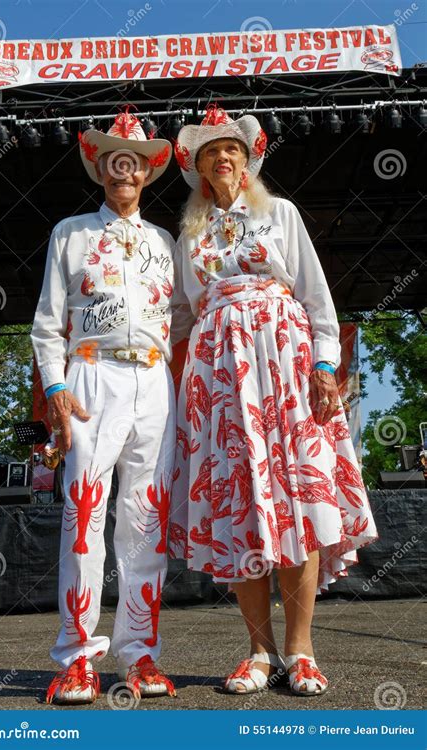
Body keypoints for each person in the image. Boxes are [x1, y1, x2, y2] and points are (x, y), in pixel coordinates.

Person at [169, 104, 379, 696]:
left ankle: (301, 650)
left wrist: (323, 365)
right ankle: (259, 651)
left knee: (296, 500)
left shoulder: (279, 214)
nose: (223, 158)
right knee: (243, 508)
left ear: (247, 159)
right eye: (211, 153)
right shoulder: (191, 234)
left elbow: (315, 298)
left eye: (231, 149)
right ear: (201, 169)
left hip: (285, 368)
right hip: (221, 380)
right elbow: (181, 318)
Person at [32, 108, 188, 704]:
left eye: (136, 161)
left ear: (148, 172)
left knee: (145, 519)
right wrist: (54, 386)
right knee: (83, 518)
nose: (124, 170)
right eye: (113, 159)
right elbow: (48, 324)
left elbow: (179, 322)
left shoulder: (164, 240)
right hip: (91, 376)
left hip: (153, 383)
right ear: (100, 168)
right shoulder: (70, 232)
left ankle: (139, 654)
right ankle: (77, 656)